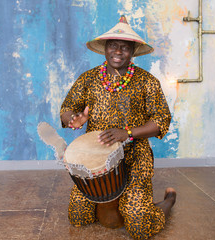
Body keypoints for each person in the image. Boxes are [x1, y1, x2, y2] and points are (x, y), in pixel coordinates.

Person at [60, 15, 176, 240]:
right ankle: (112, 204)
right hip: (97, 156)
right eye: (113, 45)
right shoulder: (89, 79)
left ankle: (167, 202)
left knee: (139, 226)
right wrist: (73, 119)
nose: (118, 51)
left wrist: (128, 133)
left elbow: (162, 120)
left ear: (133, 51)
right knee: (78, 216)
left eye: (125, 47)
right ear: (105, 48)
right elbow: (67, 109)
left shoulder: (147, 81)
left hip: (135, 155)